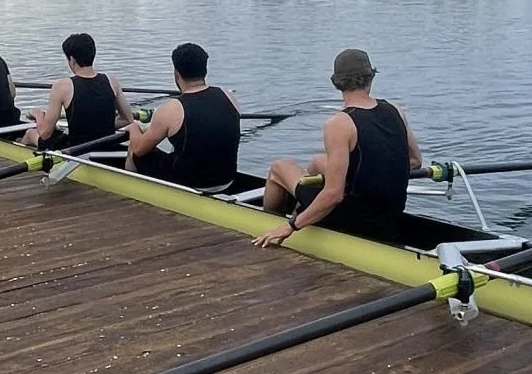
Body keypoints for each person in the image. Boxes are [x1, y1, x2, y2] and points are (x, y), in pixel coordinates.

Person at [256, 49, 420, 246]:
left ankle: (268, 223)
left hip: (353, 220)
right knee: (318, 162)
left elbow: (334, 195)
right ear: (370, 78)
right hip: (389, 215)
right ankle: (308, 204)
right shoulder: (395, 110)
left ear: (336, 83)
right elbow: (415, 161)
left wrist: (291, 226)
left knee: (279, 167)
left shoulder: (339, 123)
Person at [126, 42, 242, 192]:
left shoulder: (170, 109)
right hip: (228, 179)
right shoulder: (230, 96)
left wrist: (133, 128)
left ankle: (130, 192)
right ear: (205, 71)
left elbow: (139, 150)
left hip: (190, 184)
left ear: (176, 73)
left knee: (134, 150)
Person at [22, 33, 134, 148]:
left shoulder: (62, 86)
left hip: (77, 151)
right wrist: (99, 127)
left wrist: (38, 114)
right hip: (107, 147)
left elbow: (45, 134)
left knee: (31, 133)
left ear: (72, 60)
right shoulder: (112, 81)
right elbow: (127, 119)